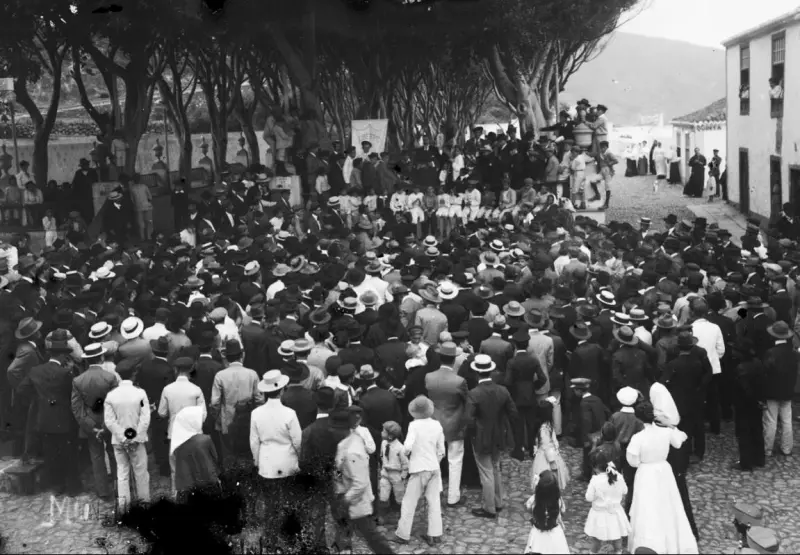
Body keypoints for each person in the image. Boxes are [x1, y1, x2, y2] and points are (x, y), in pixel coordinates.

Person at [625, 400, 698, 554]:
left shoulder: (638, 437)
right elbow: (679, 441)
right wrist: (671, 426)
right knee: (667, 505)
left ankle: (648, 543)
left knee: (647, 507)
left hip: (646, 472)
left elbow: (632, 460)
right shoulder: (665, 432)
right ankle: (671, 541)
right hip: (664, 470)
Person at [16, 331, 81, 495]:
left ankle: (57, 486)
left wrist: (39, 400)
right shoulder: (65, 373)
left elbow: (21, 389)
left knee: (51, 454)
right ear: (62, 355)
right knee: (69, 454)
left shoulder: (35, 371)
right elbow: (73, 394)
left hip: (44, 419)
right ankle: (72, 488)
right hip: (65, 419)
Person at [334, 405, 396, 554]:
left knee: (370, 535)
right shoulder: (345, 442)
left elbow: (359, 482)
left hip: (355, 500)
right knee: (345, 532)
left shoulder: (353, 450)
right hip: (348, 497)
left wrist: (344, 500)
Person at [250, 370, 302, 541]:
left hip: (267, 463)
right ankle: (290, 535)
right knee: (289, 500)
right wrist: (299, 458)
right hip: (288, 461)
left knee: (270, 503)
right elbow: (297, 441)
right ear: (281, 390)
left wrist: (257, 461)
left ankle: (270, 536)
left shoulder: (256, 413)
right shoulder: (290, 413)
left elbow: (254, 442)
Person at [465, 354, 519, 519]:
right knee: (495, 468)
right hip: (499, 435)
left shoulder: (474, 393)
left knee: (486, 472)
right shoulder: (502, 390)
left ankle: (489, 508)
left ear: (477, 373)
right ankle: (498, 501)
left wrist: (474, 433)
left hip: (481, 437)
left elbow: (468, 419)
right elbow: (513, 413)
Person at [393, 395, 445, 546]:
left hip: (418, 468)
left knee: (409, 502)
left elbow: (407, 447)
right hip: (434, 467)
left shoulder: (413, 425)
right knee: (434, 502)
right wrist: (435, 461)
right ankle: (435, 534)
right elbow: (441, 450)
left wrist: (406, 455)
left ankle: (403, 534)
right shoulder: (437, 425)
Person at [104, 361, 151, 513]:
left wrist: (124, 438)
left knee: (122, 474)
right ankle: (144, 505)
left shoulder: (111, 396)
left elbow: (109, 421)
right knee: (141, 473)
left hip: (119, 441)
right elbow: (145, 418)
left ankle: (124, 509)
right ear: (133, 374)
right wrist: (134, 438)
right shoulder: (140, 394)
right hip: (137, 441)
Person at [171, 405, 221, 504]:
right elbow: (215, 458)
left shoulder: (177, 444)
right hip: (207, 481)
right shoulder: (205, 439)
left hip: (186, 486)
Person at [584, 449, 630, 554]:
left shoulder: (595, 480)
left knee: (597, 538)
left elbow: (589, 498)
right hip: (615, 512)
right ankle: (618, 552)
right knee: (617, 536)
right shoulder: (617, 476)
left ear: (595, 467)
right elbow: (625, 490)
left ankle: (593, 552)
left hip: (599, 514)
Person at [523, 469, 570, 554]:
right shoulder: (558, 500)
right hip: (555, 534)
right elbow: (563, 511)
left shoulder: (534, 500)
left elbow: (528, 508)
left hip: (538, 535)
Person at [531, 397, 569, 491]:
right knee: (550, 481)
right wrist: (552, 462)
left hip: (543, 455)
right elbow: (546, 446)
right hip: (547, 459)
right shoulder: (545, 428)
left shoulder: (544, 426)